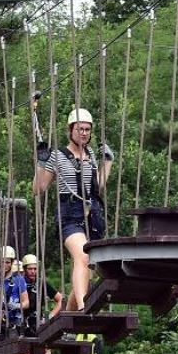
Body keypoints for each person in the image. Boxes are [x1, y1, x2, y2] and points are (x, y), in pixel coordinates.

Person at [33, 108, 113, 312]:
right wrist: (41, 163)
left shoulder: (91, 155)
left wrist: (108, 163)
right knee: (83, 256)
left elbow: (97, 186)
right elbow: (38, 188)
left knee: (88, 270)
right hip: (69, 214)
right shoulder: (58, 156)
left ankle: (68, 312)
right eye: (80, 129)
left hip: (91, 215)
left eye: (87, 129)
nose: (84, 133)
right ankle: (83, 307)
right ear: (71, 130)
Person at [19, 254, 63, 354]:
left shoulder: (42, 284)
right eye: (30, 269)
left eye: (35, 269)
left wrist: (50, 316)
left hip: (38, 326)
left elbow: (60, 299)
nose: (33, 272)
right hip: (22, 326)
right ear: (24, 269)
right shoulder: (19, 283)